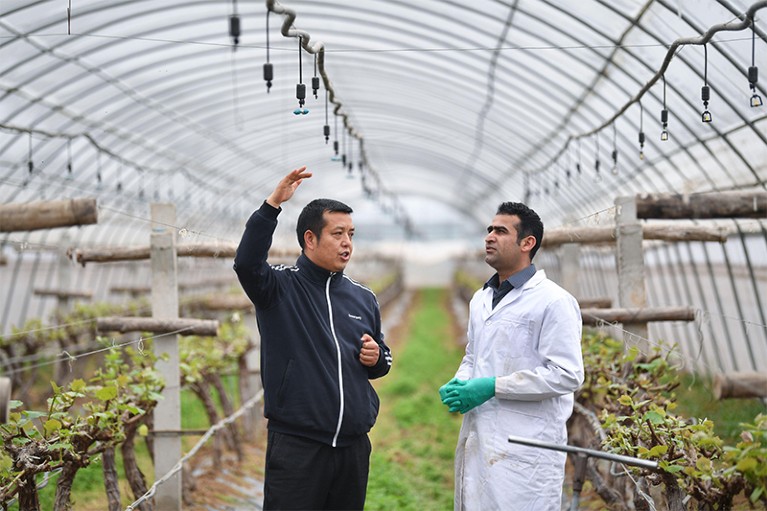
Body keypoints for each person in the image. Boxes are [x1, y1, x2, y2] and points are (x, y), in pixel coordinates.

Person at [233, 166, 392, 510]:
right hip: (298, 448)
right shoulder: (279, 289)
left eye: (351, 233)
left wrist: (376, 357)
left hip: (353, 448)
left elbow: (383, 360)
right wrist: (272, 206)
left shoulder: (363, 298)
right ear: (310, 239)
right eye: (337, 234)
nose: (347, 242)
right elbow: (246, 264)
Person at [439, 201, 584, 511]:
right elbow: (473, 354)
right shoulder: (482, 298)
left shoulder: (554, 301)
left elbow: (567, 374)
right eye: (489, 229)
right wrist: (461, 381)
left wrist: (493, 386)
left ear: (527, 243)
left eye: (501, 231)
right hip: (482, 437)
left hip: (527, 448)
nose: (489, 236)